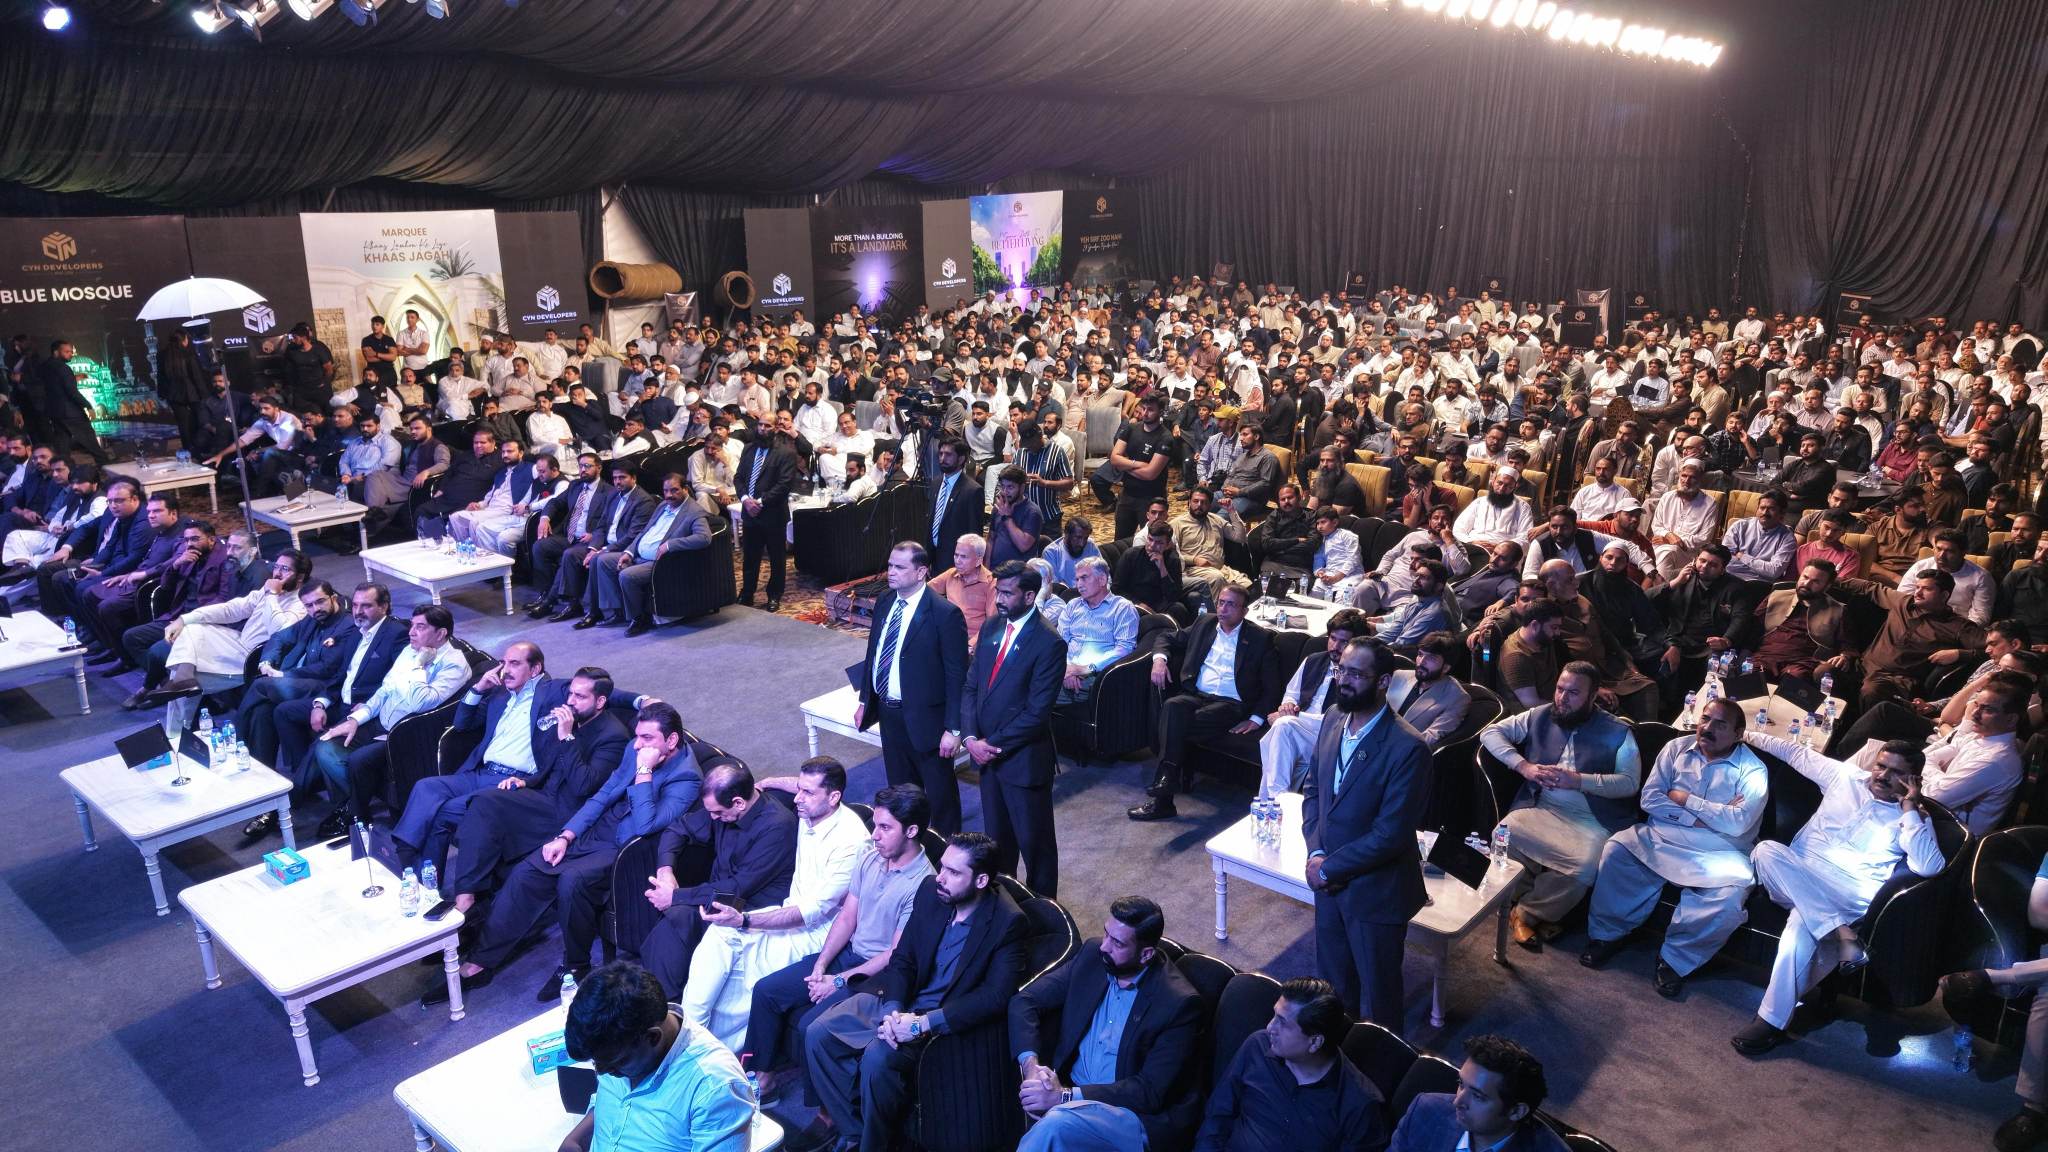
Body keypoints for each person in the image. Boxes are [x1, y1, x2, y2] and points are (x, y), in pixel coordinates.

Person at [427, 702, 706, 1007]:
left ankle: (575, 966)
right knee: (530, 870)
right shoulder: (635, 748)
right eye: (637, 736)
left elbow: (645, 825)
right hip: (597, 830)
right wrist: (566, 835)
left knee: (572, 881)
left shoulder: (686, 778)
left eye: (647, 738)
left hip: (627, 849)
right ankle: (480, 962)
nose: (638, 744)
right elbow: (603, 795)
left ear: (672, 740)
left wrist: (644, 771)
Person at [800, 833, 1029, 1152]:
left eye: (953, 872)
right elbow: (903, 959)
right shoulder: (931, 891)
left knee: (878, 1058)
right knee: (818, 1033)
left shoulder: (1008, 922)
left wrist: (922, 1024)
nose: (941, 877)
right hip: (900, 999)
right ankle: (855, 1133)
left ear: (980, 880)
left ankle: (873, 1146)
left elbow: (995, 996)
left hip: (938, 1018)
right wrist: (892, 1010)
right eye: (942, 867)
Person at [1730, 733, 1944, 1055]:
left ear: (1913, 780)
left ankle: (1770, 1022)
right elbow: (1792, 751)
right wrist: (1743, 733)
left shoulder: (1914, 817)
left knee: (1801, 925)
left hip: (1847, 896)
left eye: (1896, 772)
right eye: (1881, 766)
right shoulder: (1844, 776)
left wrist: (1910, 809)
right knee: (1766, 850)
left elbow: (1929, 866)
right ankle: (1843, 934)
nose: (1883, 775)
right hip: (1795, 875)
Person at [744, 783, 934, 1107]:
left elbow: (895, 954)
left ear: (912, 831)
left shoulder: (924, 883)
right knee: (766, 991)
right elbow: (847, 917)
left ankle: (827, 1113)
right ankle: (764, 1080)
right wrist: (821, 964)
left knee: (810, 1027)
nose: (874, 835)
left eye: (885, 828)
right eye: (875, 824)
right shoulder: (871, 857)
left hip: (877, 976)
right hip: (847, 955)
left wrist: (839, 981)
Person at [681, 758, 871, 1052]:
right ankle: (687, 1036)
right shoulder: (812, 807)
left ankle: (696, 1047)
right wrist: (769, 782)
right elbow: (797, 786)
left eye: (807, 792)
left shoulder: (852, 843)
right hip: (789, 911)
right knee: (720, 936)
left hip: (817, 933)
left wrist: (745, 921)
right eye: (799, 788)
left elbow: (809, 913)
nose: (797, 798)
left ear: (834, 797)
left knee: (745, 973)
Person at [1581, 698, 1768, 996]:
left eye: (1720, 724)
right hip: (1663, 836)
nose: (1707, 728)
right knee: (1618, 850)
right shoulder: (1675, 748)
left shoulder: (1754, 771)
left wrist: (1684, 799)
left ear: (1738, 734)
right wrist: (1706, 817)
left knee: (1729, 899)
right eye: (1705, 719)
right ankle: (1608, 935)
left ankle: (1675, 961)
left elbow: (1738, 824)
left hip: (1721, 851)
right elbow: (1650, 799)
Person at [1301, 637, 1432, 1026]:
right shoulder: (1332, 718)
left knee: (1380, 1001)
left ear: (1383, 681)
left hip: (1376, 893)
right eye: (1341, 669)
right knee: (1333, 994)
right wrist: (1315, 853)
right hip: (1328, 885)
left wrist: (1328, 868)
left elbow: (1391, 834)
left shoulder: (1408, 747)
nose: (1344, 680)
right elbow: (1313, 792)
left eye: (1356, 674)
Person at [1009, 896, 1206, 1152]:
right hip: (1072, 1093)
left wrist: (1064, 1097)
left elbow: (1148, 1092)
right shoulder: (1093, 957)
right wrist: (1032, 1067)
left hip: (1133, 1115)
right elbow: (1025, 1001)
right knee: (1057, 1121)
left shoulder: (1178, 1004)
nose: (1104, 946)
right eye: (1106, 934)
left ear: (1146, 954)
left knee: (1056, 1124)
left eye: (1117, 943)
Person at [439, 667, 630, 914]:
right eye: (571, 693)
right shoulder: (575, 720)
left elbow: (583, 786)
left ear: (600, 701)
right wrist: (526, 782)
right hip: (543, 795)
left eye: (580, 697)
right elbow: (549, 763)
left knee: (488, 806)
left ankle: (471, 897)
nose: (571, 701)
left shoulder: (613, 736)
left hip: (566, 811)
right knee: (483, 802)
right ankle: (467, 893)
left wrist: (566, 738)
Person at [1480, 661, 1644, 948]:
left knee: (1584, 866)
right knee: (1504, 834)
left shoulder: (1618, 731)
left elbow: (1629, 782)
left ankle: (1526, 913)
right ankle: (1523, 902)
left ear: (1593, 696)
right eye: (1559, 689)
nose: (1562, 698)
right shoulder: (1541, 715)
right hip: (1541, 806)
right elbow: (1490, 733)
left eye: (1573, 693)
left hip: (1592, 818)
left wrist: (1579, 781)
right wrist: (1524, 766)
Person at [637, 761, 802, 1000]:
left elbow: (738, 887)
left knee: (676, 920)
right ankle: (659, 998)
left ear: (738, 803)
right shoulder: (720, 808)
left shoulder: (777, 827)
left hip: (751, 908)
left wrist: (675, 896)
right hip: (717, 894)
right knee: (671, 922)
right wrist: (665, 871)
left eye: (717, 813)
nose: (712, 817)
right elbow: (678, 829)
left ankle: (661, 1000)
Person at [388, 640, 554, 875]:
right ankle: (406, 855)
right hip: (480, 772)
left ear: (535, 669)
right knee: (426, 787)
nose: (506, 670)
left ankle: (420, 876)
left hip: (512, 781)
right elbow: (461, 723)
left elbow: (591, 691)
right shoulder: (499, 694)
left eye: (515, 664)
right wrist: (478, 688)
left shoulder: (552, 694)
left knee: (444, 811)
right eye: (504, 663)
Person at [555, 960, 754, 1152]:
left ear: (652, 1037)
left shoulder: (715, 1088)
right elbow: (611, 1100)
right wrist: (576, 1137)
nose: (602, 1072)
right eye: (596, 1062)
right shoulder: (618, 1047)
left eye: (616, 1064)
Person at [306, 604, 469, 834]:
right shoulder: (410, 650)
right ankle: (350, 803)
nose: (411, 632)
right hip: (381, 721)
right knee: (326, 745)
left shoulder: (454, 664)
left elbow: (421, 703)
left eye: (420, 627)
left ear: (441, 633)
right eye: (412, 625)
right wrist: (356, 719)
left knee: (359, 760)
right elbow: (385, 690)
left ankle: (358, 817)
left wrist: (419, 665)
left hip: (407, 733)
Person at [1132, 583, 1282, 822]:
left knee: (1172, 724)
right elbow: (1166, 637)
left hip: (1231, 703)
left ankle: (1164, 796)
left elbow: (1272, 686)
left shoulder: (1260, 638)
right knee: (1173, 706)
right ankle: (1167, 785)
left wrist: (1256, 719)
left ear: (1244, 611)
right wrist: (1159, 660)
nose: (1223, 609)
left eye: (1231, 605)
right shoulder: (1204, 623)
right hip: (1196, 694)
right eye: (1221, 602)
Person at [960, 560, 1067, 895]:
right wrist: (970, 738)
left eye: (1007, 593)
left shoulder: (1049, 642)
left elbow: (1036, 713)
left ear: (1030, 596)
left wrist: (989, 745)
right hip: (988, 760)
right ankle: (1004, 906)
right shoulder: (992, 627)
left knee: (1036, 848)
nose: (999, 599)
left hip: (1023, 763)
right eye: (998, 591)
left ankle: (1043, 912)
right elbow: (972, 687)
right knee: (997, 844)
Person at [1194, 976, 1384, 1152]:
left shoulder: (1360, 1105)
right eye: (1274, 1015)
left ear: (1315, 1042)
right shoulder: (1258, 1046)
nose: (1270, 1027)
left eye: (1282, 1023)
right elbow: (1217, 1116)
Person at [856, 541, 970, 834]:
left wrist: (954, 728)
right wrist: (865, 700)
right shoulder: (885, 601)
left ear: (921, 572)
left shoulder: (945, 614)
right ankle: (908, 844)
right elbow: (874, 654)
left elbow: (956, 676)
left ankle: (946, 847)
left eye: (899, 567)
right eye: (890, 565)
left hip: (928, 720)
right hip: (889, 713)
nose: (891, 572)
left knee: (940, 795)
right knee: (900, 792)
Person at [140, 549, 312, 705]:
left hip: (256, 658)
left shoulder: (302, 604)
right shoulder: (268, 591)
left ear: (300, 577)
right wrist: (183, 619)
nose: (277, 573)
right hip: (238, 645)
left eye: (285, 569)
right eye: (277, 567)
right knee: (190, 632)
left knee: (187, 667)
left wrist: (272, 594)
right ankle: (182, 690)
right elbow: (231, 609)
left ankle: (182, 685)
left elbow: (279, 632)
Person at [1386, 1034, 1567, 1152]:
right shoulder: (1426, 1111)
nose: (1457, 1102)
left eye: (1477, 1096)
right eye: (1461, 1084)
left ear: (1516, 1111)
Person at [584, 473, 712, 636]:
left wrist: (670, 545)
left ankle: (639, 618)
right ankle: (617, 612)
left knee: (627, 576)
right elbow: (644, 532)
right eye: (666, 491)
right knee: (602, 561)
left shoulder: (694, 512)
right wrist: (629, 552)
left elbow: (704, 538)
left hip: (659, 562)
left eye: (674, 490)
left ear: (685, 489)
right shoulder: (663, 506)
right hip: (639, 555)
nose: (669, 495)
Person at [1258, 610, 1368, 796]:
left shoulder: (1358, 674)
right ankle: (1277, 800)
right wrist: (1288, 706)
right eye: (1333, 638)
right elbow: (1291, 693)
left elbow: (1343, 718)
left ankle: (1272, 801)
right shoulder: (1313, 660)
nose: (1335, 646)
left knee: (1283, 726)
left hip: (1334, 736)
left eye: (1344, 642)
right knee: (1282, 730)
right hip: (1302, 732)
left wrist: (1293, 716)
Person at [555, 464, 658, 624]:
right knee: (571, 554)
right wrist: (593, 548)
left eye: (622, 477)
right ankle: (573, 604)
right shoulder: (613, 495)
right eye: (615, 478)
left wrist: (604, 550)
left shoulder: (643, 501)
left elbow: (633, 536)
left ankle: (594, 611)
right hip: (605, 544)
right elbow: (601, 526)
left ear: (633, 478)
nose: (617, 482)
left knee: (597, 559)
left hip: (625, 548)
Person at [735, 413, 803, 611]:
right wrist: (746, 500)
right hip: (750, 513)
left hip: (773, 513)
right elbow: (739, 478)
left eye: (767, 426)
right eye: (760, 425)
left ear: (776, 428)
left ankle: (774, 595)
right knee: (750, 557)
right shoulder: (749, 449)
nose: (762, 429)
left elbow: (784, 484)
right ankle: (747, 593)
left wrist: (759, 502)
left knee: (776, 558)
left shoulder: (786, 452)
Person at [1102, 392, 1173, 539]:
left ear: (1160, 412)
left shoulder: (1165, 438)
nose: (1145, 413)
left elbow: (1150, 474)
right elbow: (1114, 458)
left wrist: (1124, 465)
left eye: (1150, 410)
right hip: (1127, 494)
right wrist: (1137, 464)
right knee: (1120, 540)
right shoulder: (1131, 428)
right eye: (1144, 408)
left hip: (1151, 498)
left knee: (1151, 541)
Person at [928, 534, 999, 648]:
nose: (958, 561)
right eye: (956, 555)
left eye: (964, 557)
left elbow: (992, 622)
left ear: (978, 560)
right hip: (944, 636)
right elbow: (923, 592)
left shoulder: (991, 583)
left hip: (971, 642)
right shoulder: (951, 574)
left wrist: (971, 645)